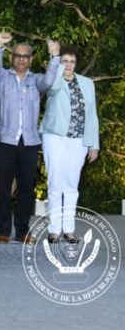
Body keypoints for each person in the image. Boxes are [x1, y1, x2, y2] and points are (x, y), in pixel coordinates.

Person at [0, 31, 60, 243]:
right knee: (3, 188)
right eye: (18, 55)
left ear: (31, 59)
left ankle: (22, 231)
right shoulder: (2, 77)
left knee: (26, 189)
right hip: (4, 140)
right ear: (12, 57)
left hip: (29, 142)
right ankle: (3, 231)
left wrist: (55, 57)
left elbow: (49, 80)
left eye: (25, 56)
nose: (21, 59)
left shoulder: (36, 80)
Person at [41, 45, 99, 243]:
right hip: (54, 137)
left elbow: (92, 114)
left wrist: (94, 144)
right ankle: (54, 230)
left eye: (72, 61)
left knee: (72, 185)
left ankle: (69, 230)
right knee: (55, 184)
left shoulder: (87, 84)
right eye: (64, 61)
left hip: (78, 140)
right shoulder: (54, 80)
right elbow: (53, 89)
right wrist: (55, 61)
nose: (68, 65)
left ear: (76, 64)